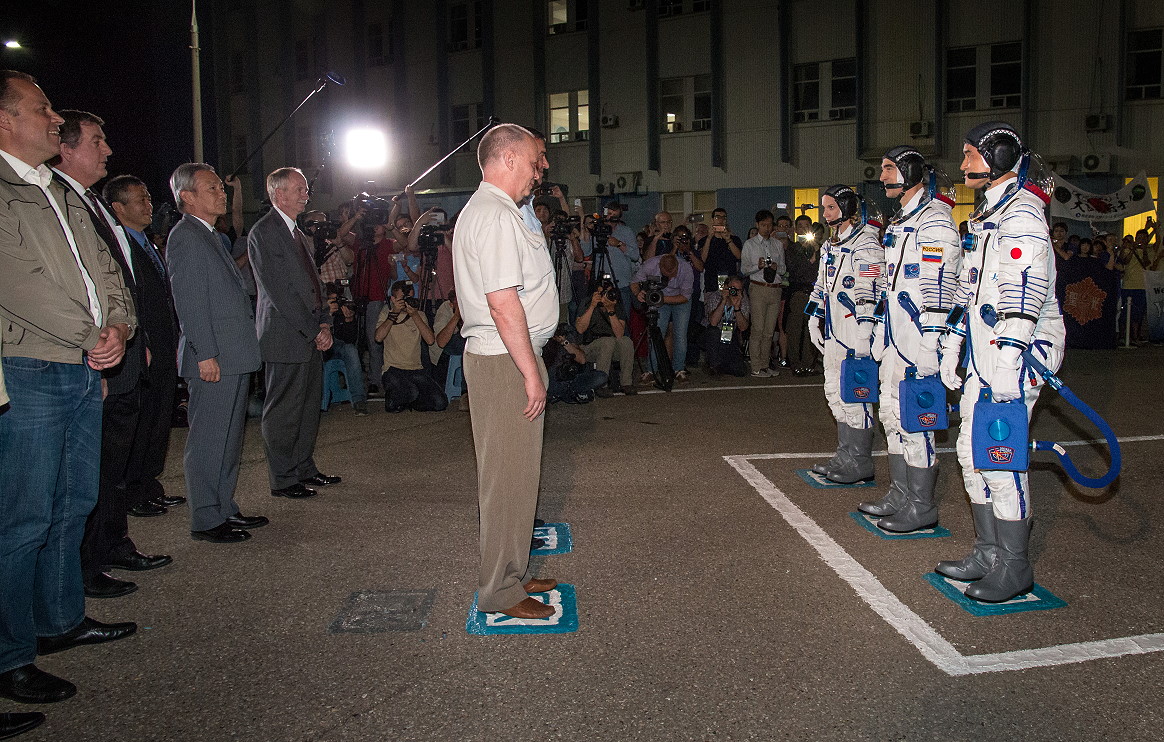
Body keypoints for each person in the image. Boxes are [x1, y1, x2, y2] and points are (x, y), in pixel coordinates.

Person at [0, 70, 138, 706]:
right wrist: (91, 333)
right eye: (40, 108)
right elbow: (19, 282)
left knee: (73, 500)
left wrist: (117, 326)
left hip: (82, 364)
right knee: (23, 517)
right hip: (31, 365)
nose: (54, 119)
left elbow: (105, 269)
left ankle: (60, 620)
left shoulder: (56, 188)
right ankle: (10, 656)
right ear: (5, 121)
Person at [935, 122, 1066, 603]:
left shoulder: (1023, 218)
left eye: (971, 154)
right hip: (984, 349)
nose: (964, 164)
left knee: (999, 457)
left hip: (1019, 350)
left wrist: (1010, 359)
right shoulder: (991, 215)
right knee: (971, 453)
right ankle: (989, 551)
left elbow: (1025, 296)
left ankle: (1015, 565)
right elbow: (970, 291)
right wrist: (952, 343)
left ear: (1002, 156)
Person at [52, 111, 174, 597]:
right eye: (97, 141)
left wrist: (131, 335)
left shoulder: (91, 205)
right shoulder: (59, 200)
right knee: (92, 470)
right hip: (92, 354)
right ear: (68, 148)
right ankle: (87, 563)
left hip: (121, 348)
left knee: (115, 464)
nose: (107, 149)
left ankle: (112, 542)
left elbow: (118, 281)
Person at [452, 123, 559, 620]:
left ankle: (512, 572)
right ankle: (498, 588)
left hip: (508, 355)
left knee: (519, 478)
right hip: (504, 359)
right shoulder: (494, 214)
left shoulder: (504, 212)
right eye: (534, 162)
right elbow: (502, 303)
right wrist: (531, 373)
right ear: (511, 158)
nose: (538, 173)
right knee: (504, 479)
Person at [858, 146, 961, 533]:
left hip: (919, 338)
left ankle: (921, 505)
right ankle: (901, 492)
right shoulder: (904, 218)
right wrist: (881, 333)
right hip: (896, 337)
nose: (882, 176)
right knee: (890, 412)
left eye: (889, 169)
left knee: (916, 420)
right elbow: (891, 282)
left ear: (910, 172)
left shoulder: (935, 220)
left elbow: (940, 289)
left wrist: (931, 346)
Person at [167, 163, 268, 544]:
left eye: (220, 189)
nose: (220, 194)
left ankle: (223, 506)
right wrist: (205, 353)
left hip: (233, 354)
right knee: (209, 439)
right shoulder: (186, 237)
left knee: (228, 439)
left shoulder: (209, 235)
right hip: (214, 359)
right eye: (211, 188)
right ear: (187, 197)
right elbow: (189, 301)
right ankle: (206, 518)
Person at [248, 167, 341, 500]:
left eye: (305, 189)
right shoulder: (264, 232)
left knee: (306, 406)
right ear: (278, 194)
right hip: (286, 335)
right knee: (284, 410)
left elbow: (314, 285)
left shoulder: (298, 234)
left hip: (310, 333)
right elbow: (278, 291)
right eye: (299, 189)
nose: (306, 194)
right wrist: (313, 329)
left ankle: (304, 467)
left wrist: (326, 322)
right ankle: (283, 477)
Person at [105, 175, 186, 520]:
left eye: (149, 198)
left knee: (158, 420)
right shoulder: (118, 245)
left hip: (165, 346)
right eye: (140, 200)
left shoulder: (148, 243)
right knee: (141, 424)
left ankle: (149, 486)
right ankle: (133, 492)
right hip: (145, 346)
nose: (148, 206)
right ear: (118, 208)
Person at [807, 184, 885, 484]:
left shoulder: (866, 245)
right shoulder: (830, 246)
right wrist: (814, 317)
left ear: (847, 209)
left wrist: (865, 331)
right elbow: (821, 287)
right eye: (824, 208)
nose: (826, 214)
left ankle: (860, 461)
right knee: (834, 392)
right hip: (834, 330)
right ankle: (845, 454)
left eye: (831, 207)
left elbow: (870, 290)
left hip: (855, 331)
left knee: (856, 397)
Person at [374, 280, 448, 412]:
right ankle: (397, 400)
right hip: (393, 370)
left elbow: (430, 340)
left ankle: (408, 401)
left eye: (410, 297)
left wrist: (414, 315)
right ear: (393, 298)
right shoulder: (387, 314)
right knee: (411, 391)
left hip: (416, 369)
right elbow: (378, 337)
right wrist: (394, 313)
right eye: (403, 299)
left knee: (440, 403)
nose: (407, 301)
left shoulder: (419, 315)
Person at [631, 252, 695, 383]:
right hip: (659, 300)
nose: (670, 278)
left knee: (680, 334)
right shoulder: (650, 264)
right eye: (666, 274)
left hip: (680, 300)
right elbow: (634, 282)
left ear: (677, 267)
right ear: (660, 267)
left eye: (672, 274)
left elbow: (685, 297)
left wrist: (661, 299)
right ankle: (651, 370)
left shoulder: (686, 268)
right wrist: (638, 293)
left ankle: (678, 369)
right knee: (656, 333)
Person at [740, 209, 787, 377]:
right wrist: (757, 266)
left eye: (769, 225)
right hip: (758, 287)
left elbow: (783, 269)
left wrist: (776, 267)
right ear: (757, 225)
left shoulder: (777, 244)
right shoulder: (750, 244)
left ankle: (765, 364)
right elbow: (744, 269)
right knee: (758, 329)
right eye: (763, 225)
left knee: (769, 331)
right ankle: (756, 366)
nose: (767, 228)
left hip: (775, 289)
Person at [575, 281, 636, 395]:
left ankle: (626, 383)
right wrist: (592, 306)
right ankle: (601, 384)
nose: (607, 295)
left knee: (626, 341)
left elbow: (619, 334)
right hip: (589, 347)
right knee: (607, 342)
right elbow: (580, 329)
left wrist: (611, 310)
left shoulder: (615, 305)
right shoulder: (587, 303)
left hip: (610, 346)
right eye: (604, 293)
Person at [785, 216, 823, 376]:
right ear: (795, 229)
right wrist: (806, 253)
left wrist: (815, 250)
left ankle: (809, 363)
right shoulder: (792, 248)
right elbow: (794, 269)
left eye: (806, 226)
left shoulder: (819, 248)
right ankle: (795, 363)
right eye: (800, 226)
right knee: (795, 330)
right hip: (799, 293)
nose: (803, 229)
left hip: (815, 293)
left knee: (812, 329)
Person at [325, 285, 368, 415]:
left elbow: (349, 339)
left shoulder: (340, 312)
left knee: (350, 349)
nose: (335, 303)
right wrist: (326, 314)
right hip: (318, 346)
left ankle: (358, 400)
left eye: (336, 300)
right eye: (331, 300)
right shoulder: (317, 310)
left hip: (335, 345)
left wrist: (348, 320)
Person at [544, 323, 607, 403]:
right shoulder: (543, 339)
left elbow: (582, 360)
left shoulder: (565, 333)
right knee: (551, 372)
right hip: (554, 379)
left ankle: (566, 394)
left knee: (601, 377)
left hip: (572, 379)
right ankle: (567, 394)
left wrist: (564, 342)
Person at [702, 275, 751, 376]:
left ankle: (720, 363)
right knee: (713, 331)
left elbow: (743, 327)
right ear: (726, 287)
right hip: (712, 335)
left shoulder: (743, 299)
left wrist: (737, 308)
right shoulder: (716, 296)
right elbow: (713, 322)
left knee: (740, 371)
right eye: (733, 289)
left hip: (729, 335)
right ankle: (713, 365)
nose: (735, 292)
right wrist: (724, 301)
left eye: (739, 289)